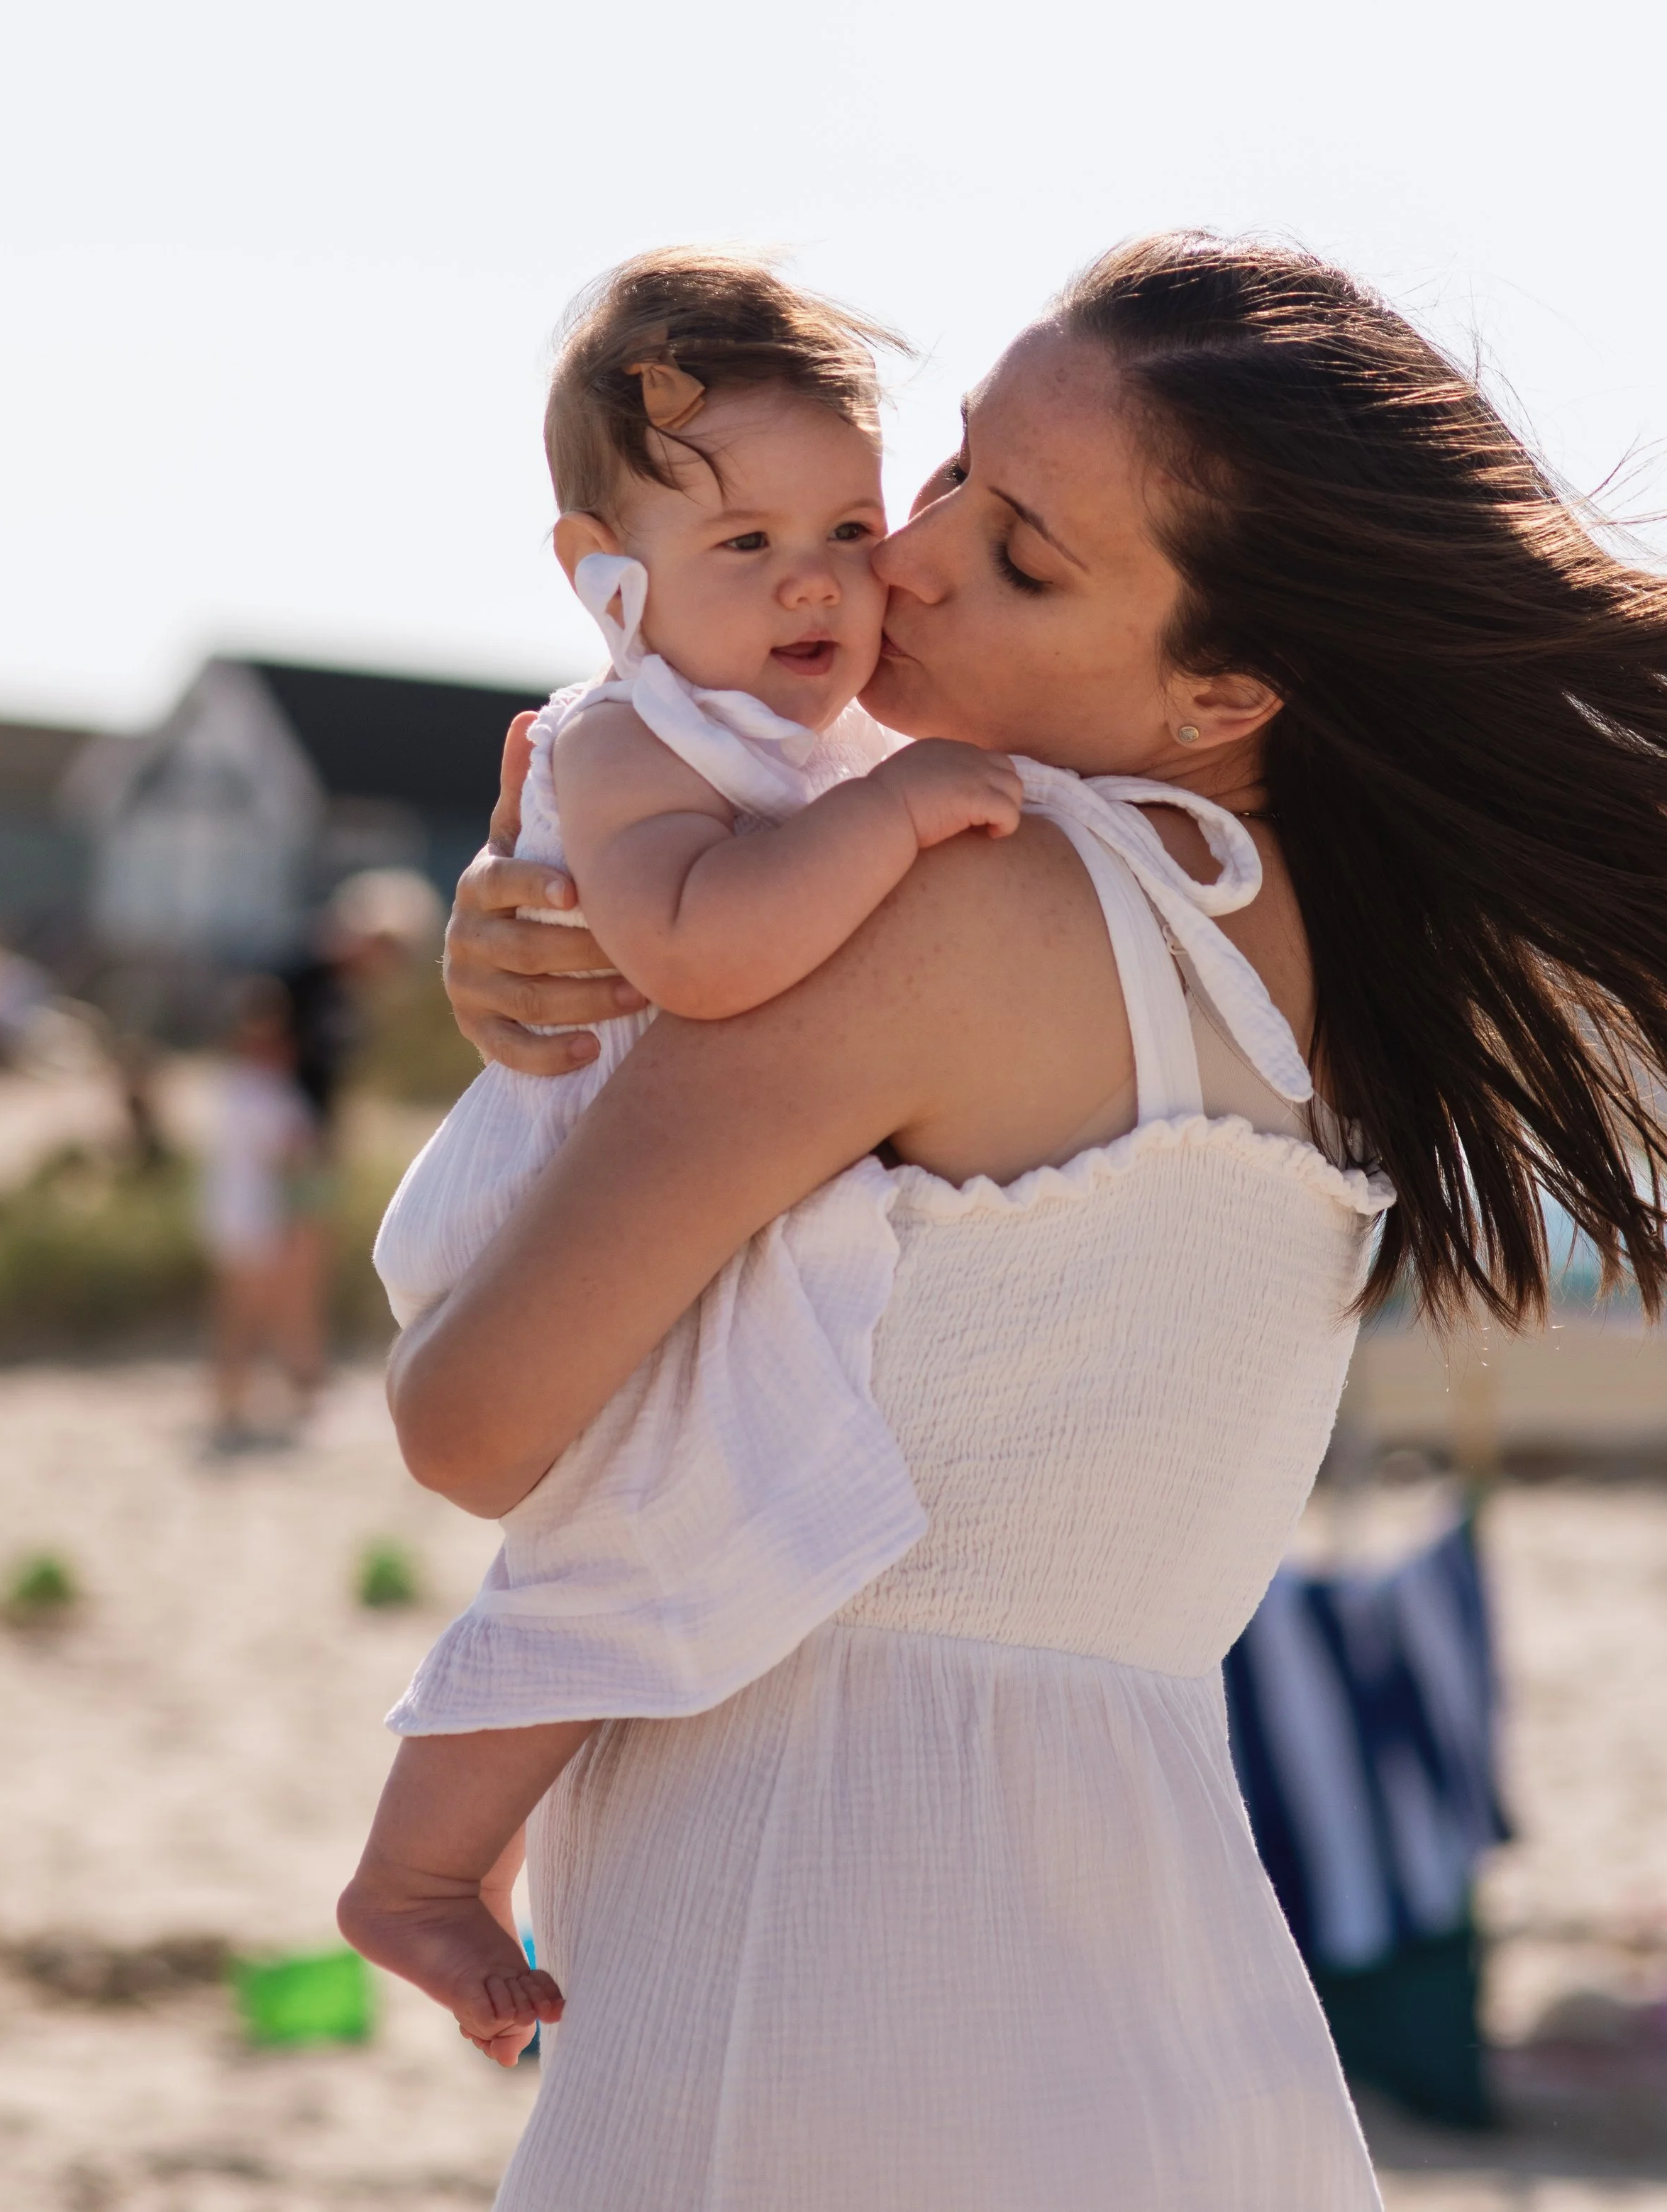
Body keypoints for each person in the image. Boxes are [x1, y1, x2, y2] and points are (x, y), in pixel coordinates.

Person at [392, 235, 1667, 2208]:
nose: (907, 560)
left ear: (1221, 687)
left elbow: (474, 1416)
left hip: (812, 1961)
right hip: (1160, 1991)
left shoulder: (944, 908)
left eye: (1022, 554)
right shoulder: (1344, 985)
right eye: (948, 474)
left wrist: (547, 1059)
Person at [342, 250, 1019, 2061]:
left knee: (653, 1526)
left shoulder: (831, 726)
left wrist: (884, 785)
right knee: (618, 1529)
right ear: (603, 578)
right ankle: (417, 1869)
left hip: (690, 1201)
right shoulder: (631, 734)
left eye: (848, 523)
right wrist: (884, 815)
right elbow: (705, 953)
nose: (816, 577)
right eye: (744, 546)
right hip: (564, 1201)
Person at [198, 975, 325, 1449]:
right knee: (286, 1315)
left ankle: (231, 1404)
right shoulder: (274, 1095)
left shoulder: (232, 1086)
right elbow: (293, 1166)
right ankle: (299, 1401)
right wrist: (302, 1224)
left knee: (237, 1317)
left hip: (229, 1217)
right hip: (266, 1219)